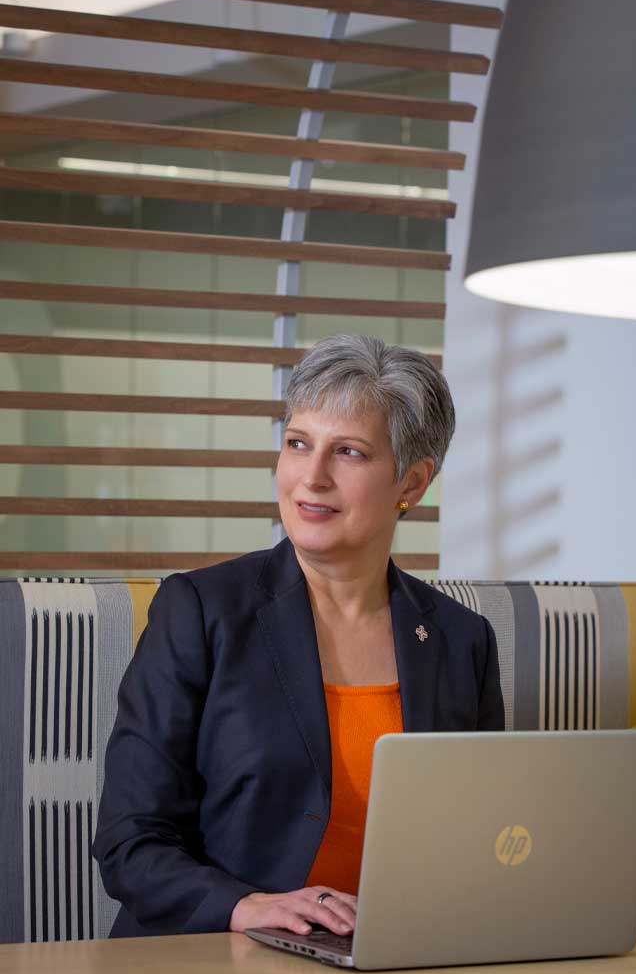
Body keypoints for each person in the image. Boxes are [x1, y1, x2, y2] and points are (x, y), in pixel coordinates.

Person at [93, 334, 504, 939]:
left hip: (391, 962)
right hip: (216, 959)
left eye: (349, 452)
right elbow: (131, 840)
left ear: (412, 483)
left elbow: (487, 837)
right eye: (297, 444)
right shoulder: (200, 612)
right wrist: (249, 907)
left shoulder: (461, 640)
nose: (312, 477)